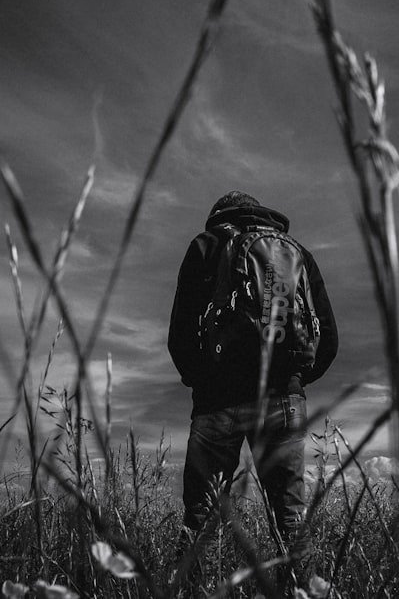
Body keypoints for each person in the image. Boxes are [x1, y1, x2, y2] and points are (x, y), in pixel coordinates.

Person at [167, 190, 338, 581]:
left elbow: (180, 336)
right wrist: (294, 380)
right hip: (283, 400)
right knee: (292, 520)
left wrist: (204, 382)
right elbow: (328, 339)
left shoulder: (207, 245)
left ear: (218, 215)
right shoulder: (296, 253)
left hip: (217, 402)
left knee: (202, 521)